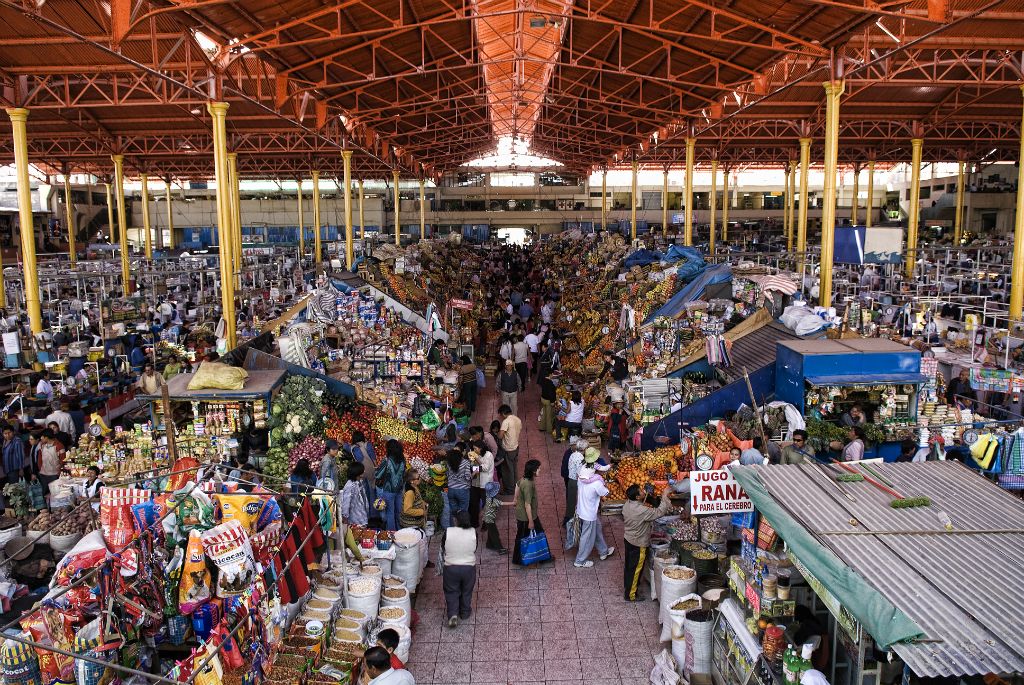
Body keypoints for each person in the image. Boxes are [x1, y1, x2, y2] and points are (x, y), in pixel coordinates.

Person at [622, 484, 672, 601]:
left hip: (628, 539)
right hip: (638, 543)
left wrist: (648, 496)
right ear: (637, 497)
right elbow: (660, 512)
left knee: (629, 566)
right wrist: (664, 495)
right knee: (636, 569)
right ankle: (631, 595)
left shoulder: (628, 504)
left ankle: (628, 587)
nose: (643, 491)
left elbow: (641, 506)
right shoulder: (641, 511)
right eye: (641, 491)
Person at [574, 460, 613, 568]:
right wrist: (607, 484)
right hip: (589, 514)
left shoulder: (580, 480)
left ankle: (603, 551)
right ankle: (580, 560)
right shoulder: (596, 483)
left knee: (597, 529)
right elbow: (607, 494)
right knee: (587, 538)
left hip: (582, 510)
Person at [441, 510, 477, 628]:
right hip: (469, 569)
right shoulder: (473, 532)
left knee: (451, 592)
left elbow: (443, 547)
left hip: (451, 568)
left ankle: (453, 615)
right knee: (467, 591)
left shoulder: (448, 532)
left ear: (456, 520)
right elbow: (474, 548)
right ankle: (465, 613)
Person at [512, 459, 543, 566]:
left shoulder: (523, 479)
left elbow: (517, 485)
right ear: (534, 471)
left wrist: (515, 499)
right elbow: (527, 504)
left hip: (525, 515)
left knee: (526, 536)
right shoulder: (528, 485)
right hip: (527, 517)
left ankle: (541, 557)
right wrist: (530, 521)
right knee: (524, 538)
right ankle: (521, 559)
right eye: (538, 468)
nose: (540, 470)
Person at [376, 439, 407, 530]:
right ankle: (399, 531)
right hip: (399, 489)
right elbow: (404, 473)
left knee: (390, 513)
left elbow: (378, 475)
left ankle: (392, 534)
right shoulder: (403, 460)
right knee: (398, 512)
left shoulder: (387, 460)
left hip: (389, 490)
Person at [468, 434, 494, 528]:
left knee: (486, 504)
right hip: (475, 484)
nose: (475, 451)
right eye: (473, 449)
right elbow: (472, 466)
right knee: (473, 503)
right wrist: (472, 460)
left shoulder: (488, 455)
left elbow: (486, 467)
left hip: (484, 484)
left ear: (481, 448)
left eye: (476, 449)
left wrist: (477, 460)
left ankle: (486, 523)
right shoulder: (475, 454)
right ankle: (474, 522)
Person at [497, 404, 522, 495]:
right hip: (516, 447)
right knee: (514, 468)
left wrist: (498, 433)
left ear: (503, 413)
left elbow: (500, 435)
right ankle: (516, 486)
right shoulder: (517, 419)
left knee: (508, 470)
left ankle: (509, 490)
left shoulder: (506, 421)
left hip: (508, 449)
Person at [563, 438, 587, 525]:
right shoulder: (580, 458)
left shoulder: (573, 454)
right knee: (574, 503)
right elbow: (580, 473)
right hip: (575, 482)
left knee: (571, 502)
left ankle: (568, 521)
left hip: (570, 480)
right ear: (584, 449)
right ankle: (570, 523)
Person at [350, 430, 378, 507]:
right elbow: (373, 457)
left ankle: (366, 510)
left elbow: (359, 459)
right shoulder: (367, 445)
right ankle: (374, 513)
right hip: (370, 470)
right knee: (372, 491)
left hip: (361, 472)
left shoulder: (353, 448)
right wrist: (376, 466)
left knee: (364, 491)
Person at [36, 430, 62, 507]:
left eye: (42, 437)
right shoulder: (42, 446)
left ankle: (54, 508)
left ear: (46, 437)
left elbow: (62, 460)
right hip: (43, 474)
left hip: (54, 474)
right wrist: (40, 469)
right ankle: (45, 509)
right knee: (44, 492)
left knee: (54, 494)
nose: (41, 438)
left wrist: (59, 472)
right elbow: (39, 459)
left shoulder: (59, 446)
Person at [480, 481, 507, 555]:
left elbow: (485, 507)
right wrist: (514, 503)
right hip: (490, 520)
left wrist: (483, 513)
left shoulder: (488, 498)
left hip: (487, 519)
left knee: (491, 532)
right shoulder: (494, 501)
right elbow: (503, 503)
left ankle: (489, 544)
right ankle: (500, 549)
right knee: (495, 534)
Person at [445, 449, 472, 519]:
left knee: (454, 513)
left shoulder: (448, 463)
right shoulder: (466, 462)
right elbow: (467, 477)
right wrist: (475, 472)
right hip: (462, 490)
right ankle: (462, 528)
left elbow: (447, 475)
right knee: (463, 512)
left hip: (451, 490)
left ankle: (455, 527)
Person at [341, 462, 369, 527]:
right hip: (356, 518)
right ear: (358, 473)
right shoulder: (350, 486)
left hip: (361, 514)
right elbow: (346, 503)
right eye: (362, 471)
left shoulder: (359, 482)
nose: (364, 471)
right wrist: (345, 517)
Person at [538, 371, 558, 437]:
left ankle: (542, 427)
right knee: (549, 415)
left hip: (543, 399)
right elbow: (551, 394)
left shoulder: (543, 380)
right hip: (548, 401)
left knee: (544, 413)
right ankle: (549, 429)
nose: (552, 375)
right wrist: (552, 402)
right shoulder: (550, 383)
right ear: (550, 374)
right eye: (552, 374)